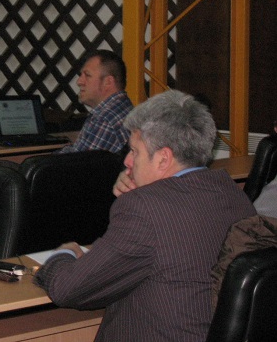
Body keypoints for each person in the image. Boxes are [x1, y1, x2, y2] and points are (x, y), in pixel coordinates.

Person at [34, 90, 256, 342]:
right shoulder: (234, 196)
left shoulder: (146, 208)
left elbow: (68, 289)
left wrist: (62, 255)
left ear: (163, 159)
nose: (127, 161)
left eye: (134, 151)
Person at [56, 49, 133, 154]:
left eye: (87, 75)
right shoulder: (123, 107)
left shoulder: (104, 120)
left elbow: (77, 162)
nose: (79, 82)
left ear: (108, 82)